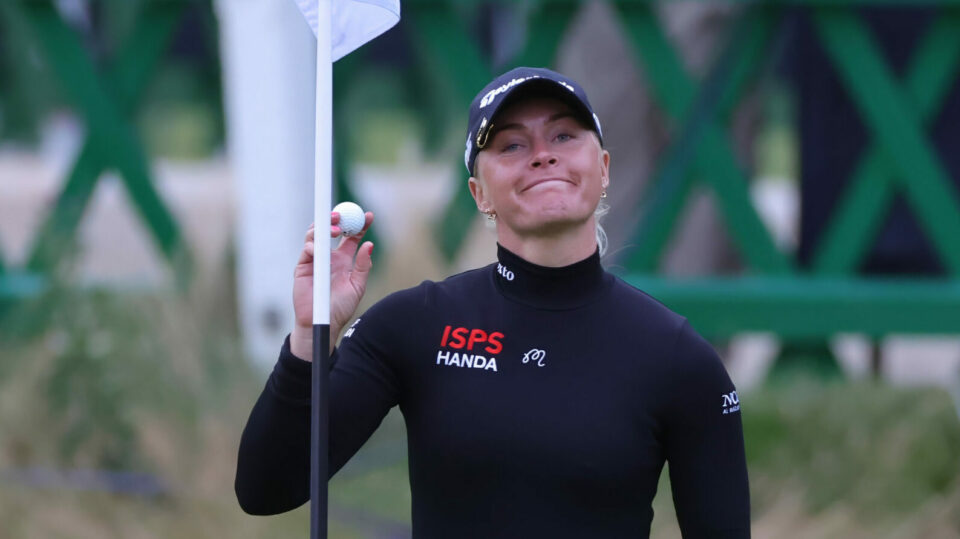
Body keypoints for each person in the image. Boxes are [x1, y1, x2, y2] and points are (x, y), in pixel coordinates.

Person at [235, 67, 750, 538]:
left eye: (564, 135)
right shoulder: (416, 325)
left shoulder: (677, 356)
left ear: (604, 167)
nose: (542, 154)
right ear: (480, 193)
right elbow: (266, 490)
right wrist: (310, 337)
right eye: (510, 145)